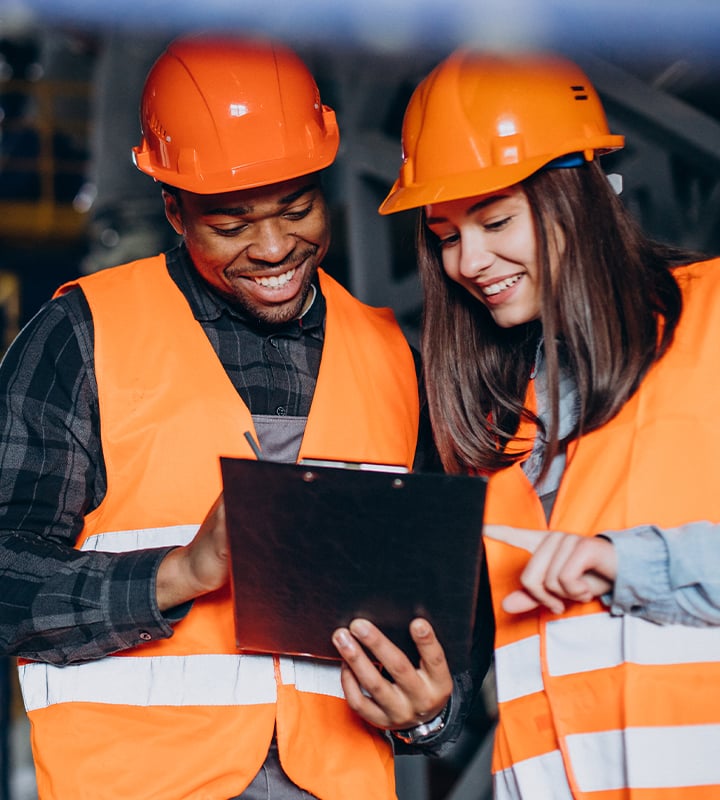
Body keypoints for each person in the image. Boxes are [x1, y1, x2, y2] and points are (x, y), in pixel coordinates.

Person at [0, 36, 493, 800]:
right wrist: (180, 573)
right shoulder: (80, 337)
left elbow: (453, 605)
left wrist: (431, 714)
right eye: (231, 224)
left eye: (297, 208)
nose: (273, 247)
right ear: (172, 207)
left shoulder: (394, 355)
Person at [379, 48, 720, 799]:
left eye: (495, 219)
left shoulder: (713, 323)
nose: (469, 260)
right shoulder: (494, 422)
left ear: (576, 196)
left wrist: (625, 564)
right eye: (444, 234)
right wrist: (427, 712)